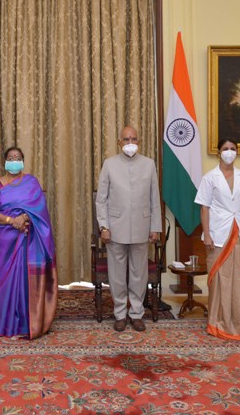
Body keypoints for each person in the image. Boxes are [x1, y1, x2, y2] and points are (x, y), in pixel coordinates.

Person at [0, 147, 57, 339]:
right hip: (5, 239)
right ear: (5, 161)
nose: (14, 161)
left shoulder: (31, 182)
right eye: (10, 158)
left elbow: (39, 208)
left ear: (23, 161)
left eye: (17, 158)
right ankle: (8, 325)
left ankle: (28, 323)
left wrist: (24, 217)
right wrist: (11, 221)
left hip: (28, 236)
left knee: (26, 280)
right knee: (8, 283)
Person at [96, 125, 162, 333]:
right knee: (116, 276)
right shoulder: (109, 164)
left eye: (134, 139)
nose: (130, 143)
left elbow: (154, 198)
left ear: (139, 141)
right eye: (126, 139)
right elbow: (101, 200)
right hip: (115, 229)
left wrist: (155, 227)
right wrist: (104, 226)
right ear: (119, 142)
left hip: (142, 227)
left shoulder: (149, 164)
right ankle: (120, 314)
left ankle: (136, 314)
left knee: (138, 275)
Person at [194, 138, 240, 341]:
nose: (229, 152)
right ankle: (217, 322)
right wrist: (207, 234)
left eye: (232, 149)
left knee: (238, 280)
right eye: (225, 149)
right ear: (218, 153)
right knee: (219, 280)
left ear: (237, 152)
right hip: (217, 234)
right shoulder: (209, 177)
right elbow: (204, 208)